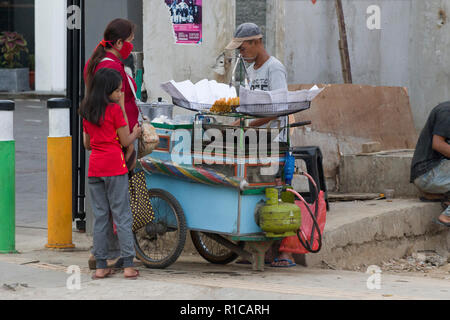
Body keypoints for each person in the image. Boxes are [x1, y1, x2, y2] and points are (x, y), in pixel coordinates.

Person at [225, 23, 296, 267]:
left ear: (256, 42)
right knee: (257, 193)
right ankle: (260, 249)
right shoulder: (251, 70)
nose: (240, 53)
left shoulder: (274, 69)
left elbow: (278, 109)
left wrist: (250, 124)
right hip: (257, 142)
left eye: (242, 48)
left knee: (276, 192)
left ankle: (283, 251)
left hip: (276, 141)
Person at [84, 18, 139, 269]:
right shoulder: (111, 68)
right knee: (119, 210)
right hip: (116, 145)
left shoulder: (96, 63)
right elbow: (119, 108)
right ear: (118, 43)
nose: (131, 44)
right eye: (130, 40)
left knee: (104, 211)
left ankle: (102, 256)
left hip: (99, 153)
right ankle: (120, 258)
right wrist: (128, 141)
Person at [410, 102, 450, 227]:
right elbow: (438, 144)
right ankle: (447, 215)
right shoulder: (446, 112)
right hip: (427, 172)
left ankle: (443, 196)